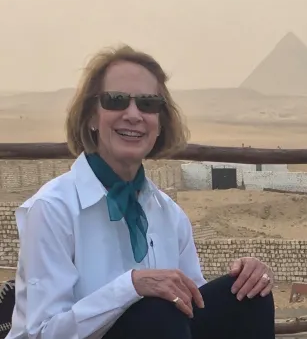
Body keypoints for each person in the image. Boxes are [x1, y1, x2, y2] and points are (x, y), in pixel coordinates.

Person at [6, 46, 276, 339]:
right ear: (91, 117)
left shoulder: (168, 214)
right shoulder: (53, 209)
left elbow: (195, 306)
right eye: (116, 100)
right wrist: (130, 287)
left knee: (248, 295)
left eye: (148, 104)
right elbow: (40, 333)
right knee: (157, 312)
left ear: (160, 123)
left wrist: (248, 277)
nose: (133, 115)